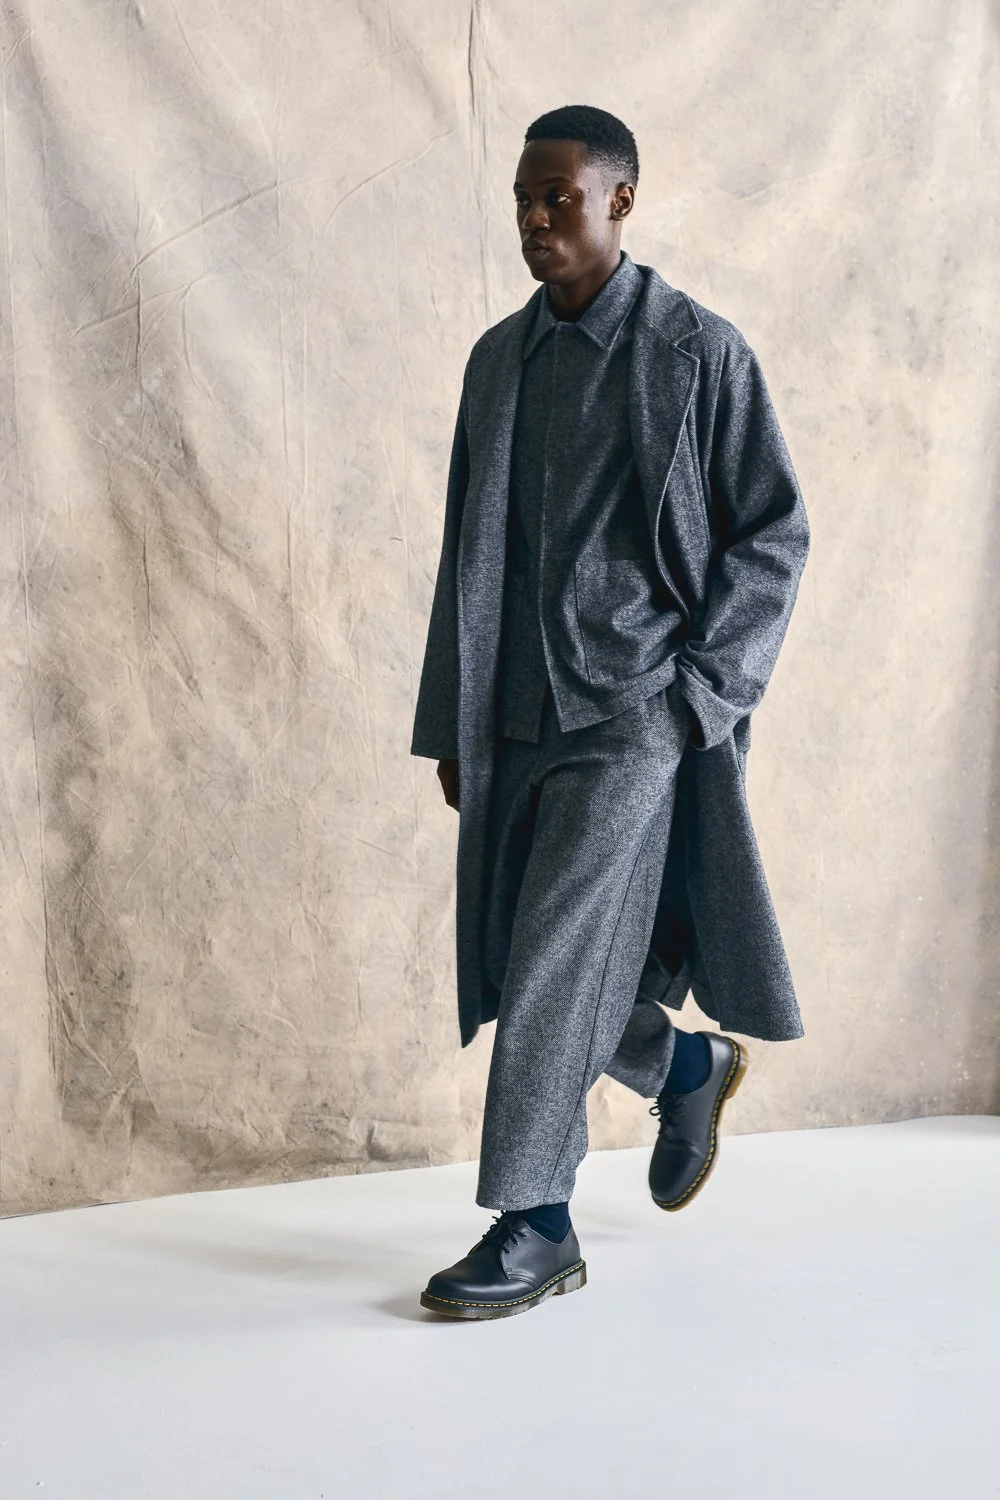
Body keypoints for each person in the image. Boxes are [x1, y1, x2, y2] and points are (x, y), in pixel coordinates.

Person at [409, 104, 810, 1320]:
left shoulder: (697, 351)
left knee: (548, 961)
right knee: (517, 951)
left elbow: (772, 533)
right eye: (523, 200)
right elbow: (464, 554)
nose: (535, 221)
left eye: (560, 199)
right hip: (515, 714)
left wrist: (701, 695)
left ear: (619, 200)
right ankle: (680, 1065)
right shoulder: (500, 360)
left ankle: (534, 1222)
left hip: (639, 711)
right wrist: (451, 722)